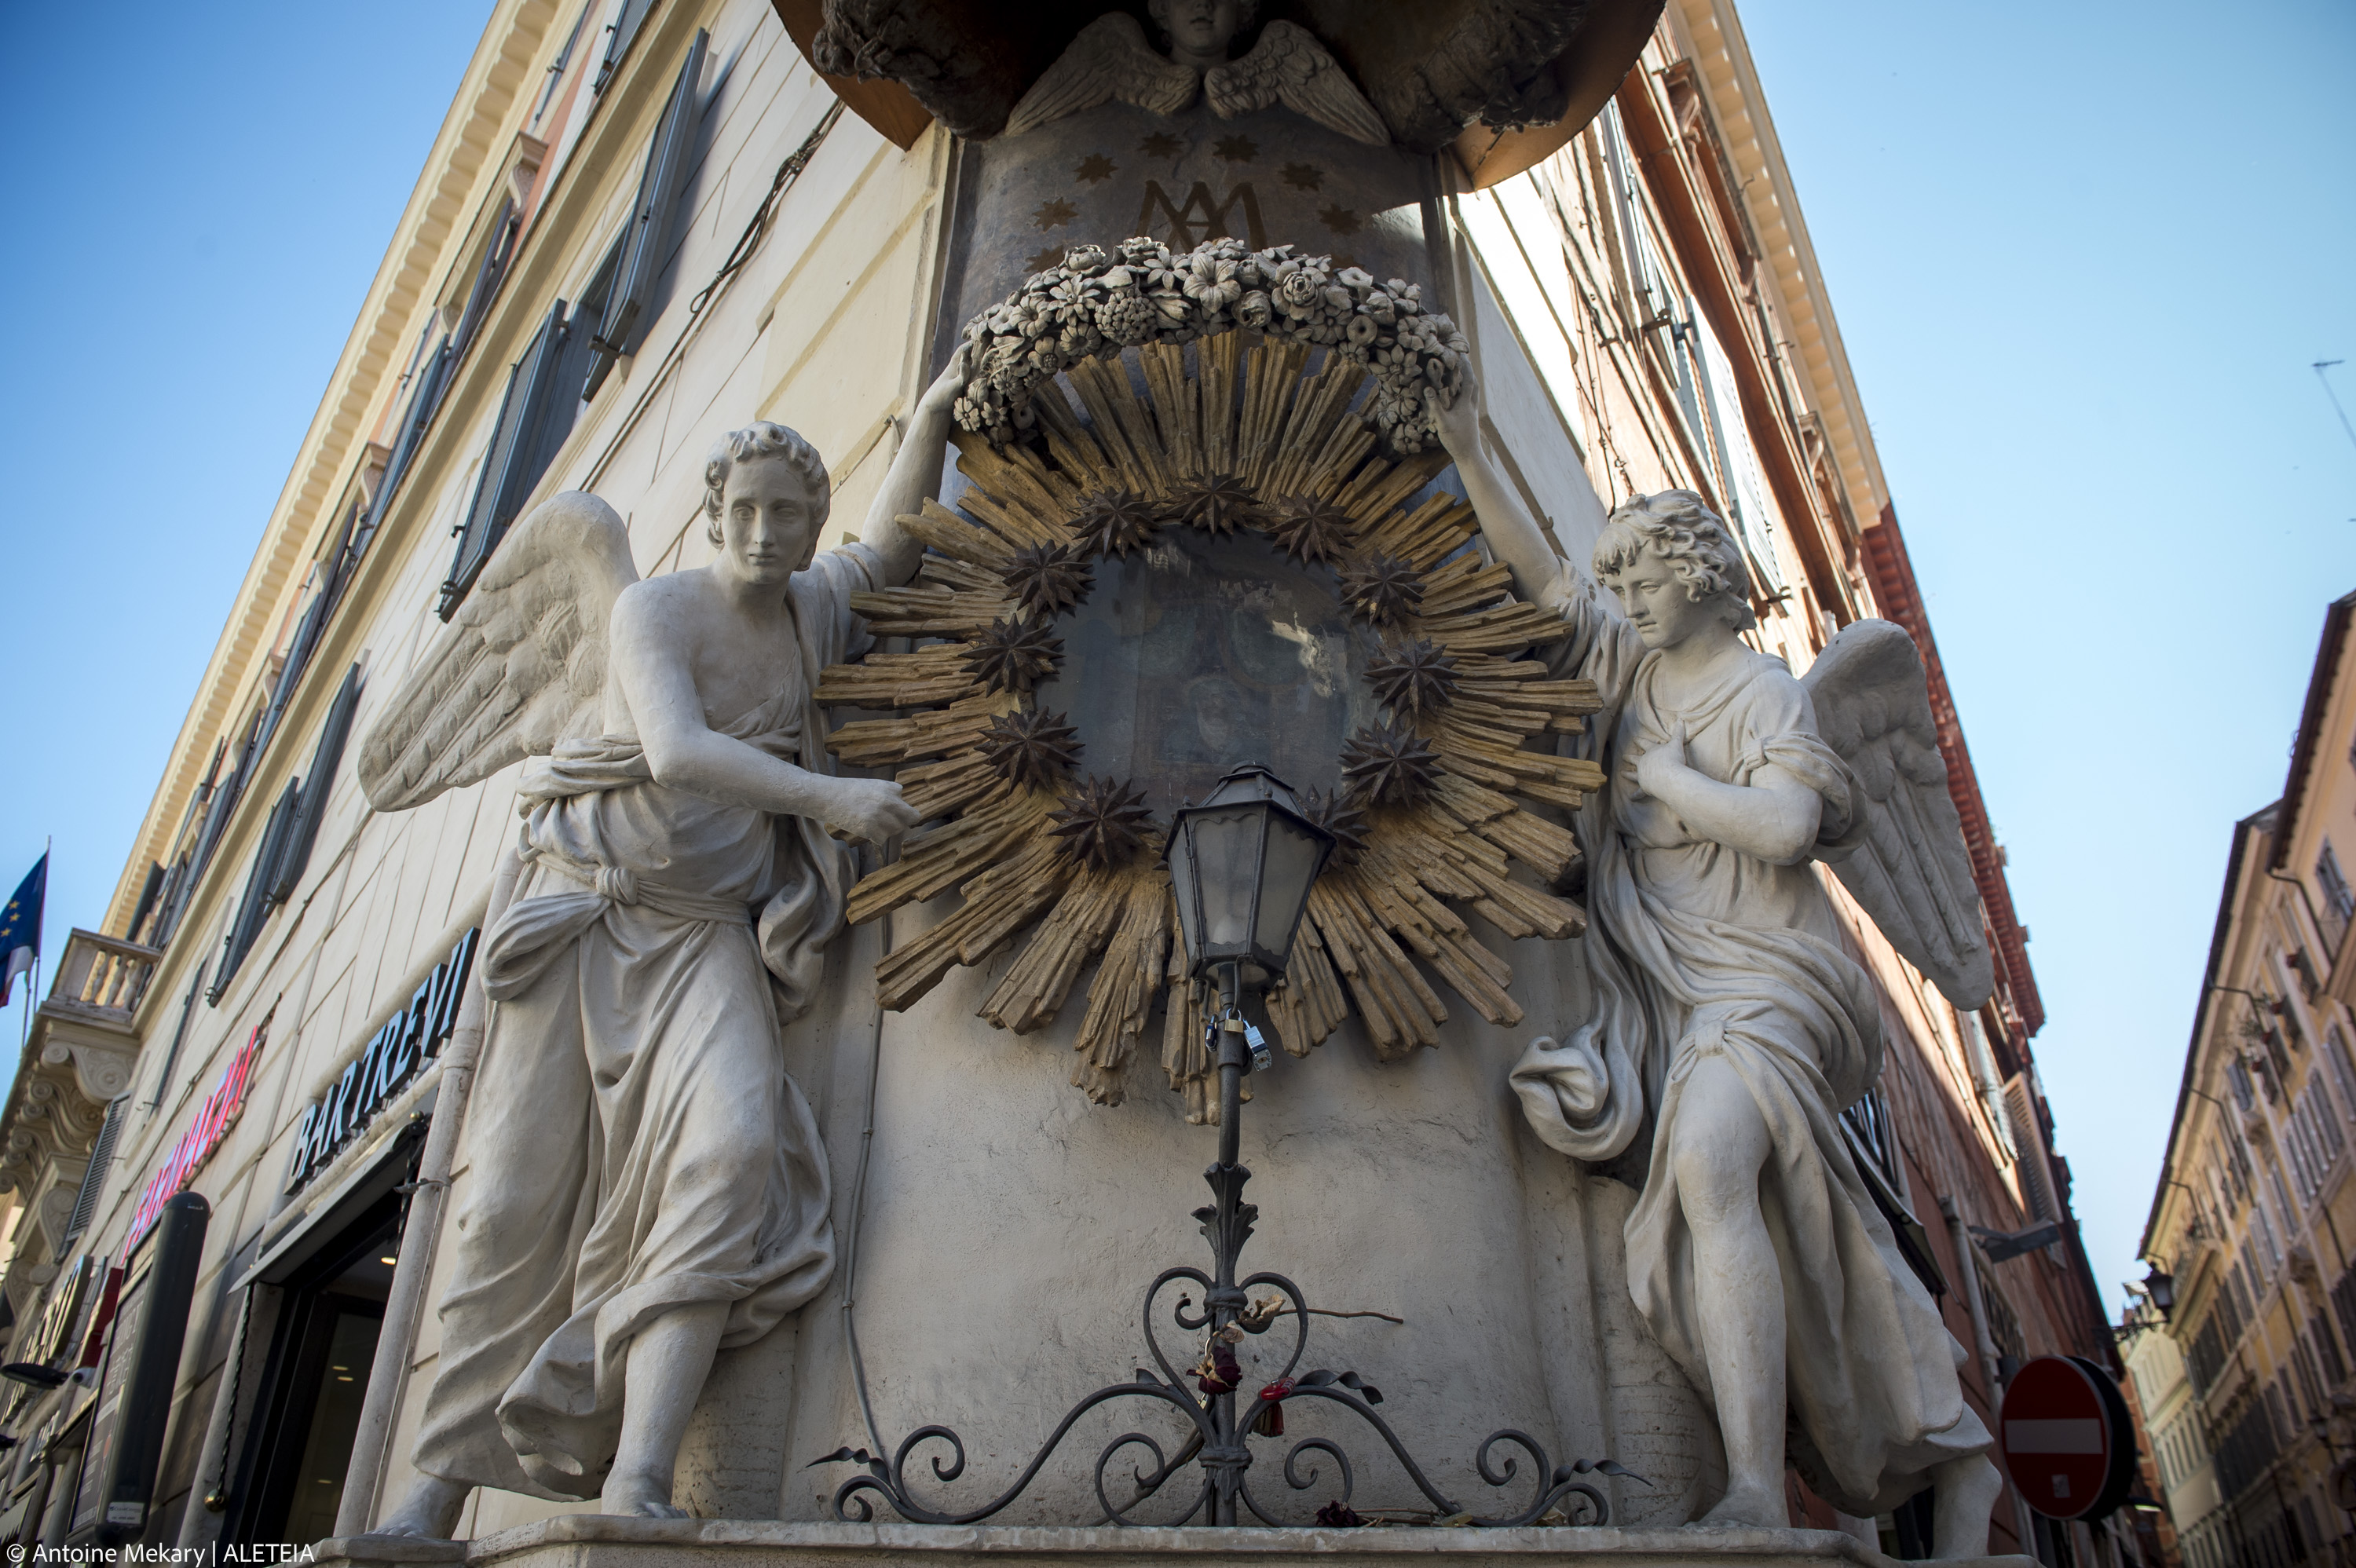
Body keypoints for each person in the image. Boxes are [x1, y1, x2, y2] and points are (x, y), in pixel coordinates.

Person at [376, 355, 964, 1532]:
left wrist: (937, 413)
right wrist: (833, 801)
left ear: (808, 526)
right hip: (584, 917)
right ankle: (432, 1500)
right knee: (510, 1210)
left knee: (734, 1151)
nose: (761, 529)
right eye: (741, 509)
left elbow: (893, 544)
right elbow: (677, 752)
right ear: (711, 517)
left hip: (703, 939)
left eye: (786, 512)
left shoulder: (811, 613)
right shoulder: (654, 609)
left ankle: (641, 1472)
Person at [1428, 375, 2004, 1557]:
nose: (1624, 594)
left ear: (1698, 573)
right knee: (1802, 1208)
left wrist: (1672, 784)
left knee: (1708, 1164)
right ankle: (1952, 1446)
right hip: (1678, 988)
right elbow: (1543, 572)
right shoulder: (1630, 667)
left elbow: (1789, 829)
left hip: (1777, 981)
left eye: (1641, 575)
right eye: (1623, 578)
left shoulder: (1768, 693)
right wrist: (1457, 436)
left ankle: (1750, 1482)